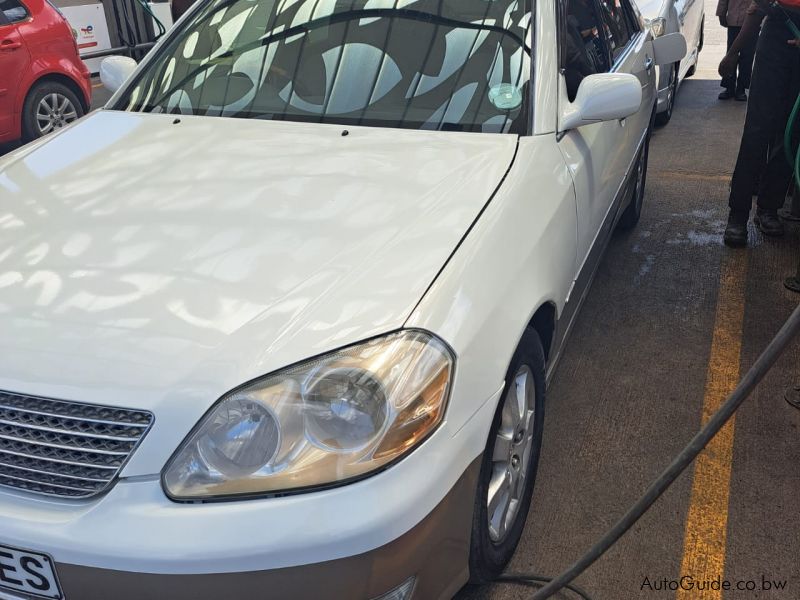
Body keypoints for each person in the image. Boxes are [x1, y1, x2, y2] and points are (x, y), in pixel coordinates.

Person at [722, 0, 800, 247]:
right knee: (758, 128)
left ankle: (768, 208)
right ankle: (738, 214)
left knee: (791, 131)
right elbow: (758, 8)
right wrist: (734, 52)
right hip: (776, 33)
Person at [717, 0, 758, 100]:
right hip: (734, 21)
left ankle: (741, 89)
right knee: (731, 54)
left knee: (747, 56)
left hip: (753, 21)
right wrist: (721, 14)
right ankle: (729, 87)